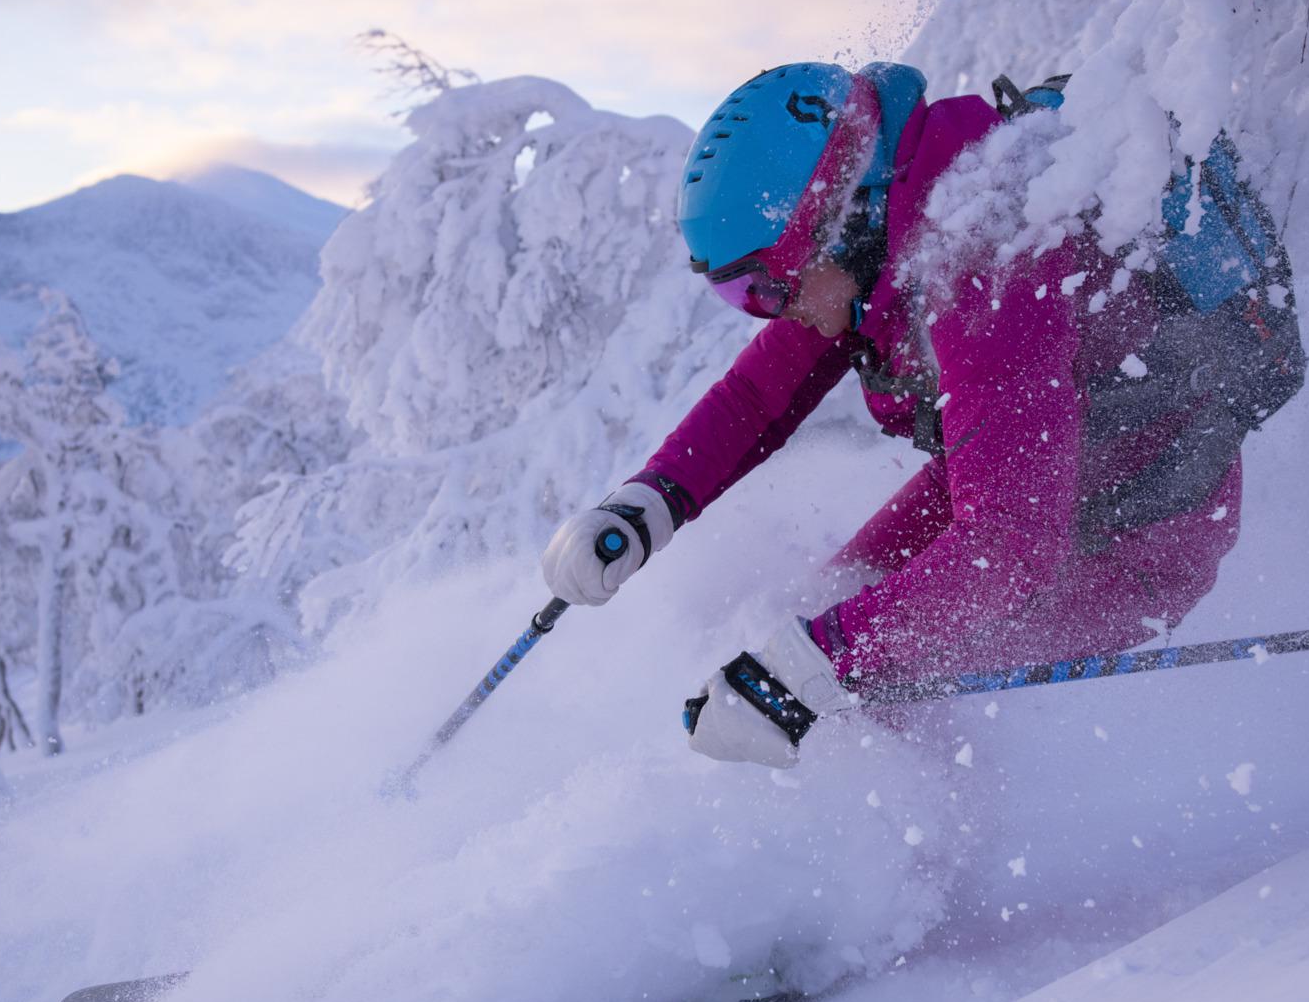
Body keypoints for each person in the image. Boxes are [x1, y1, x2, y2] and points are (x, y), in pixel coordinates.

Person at [540, 61, 1260, 768]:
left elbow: (1010, 550)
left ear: (839, 222)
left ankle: (921, 866)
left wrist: (805, 668)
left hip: (1141, 533)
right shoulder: (891, 230)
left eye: (765, 287)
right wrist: (648, 502)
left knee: (873, 670)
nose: (773, 312)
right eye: (744, 297)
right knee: (839, 603)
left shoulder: (983, 267)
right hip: (1029, 480)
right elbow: (757, 396)